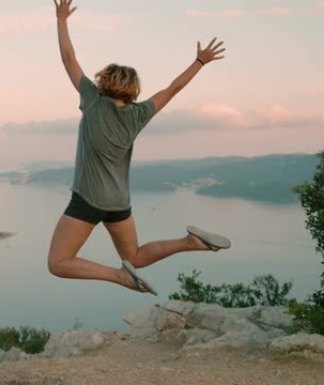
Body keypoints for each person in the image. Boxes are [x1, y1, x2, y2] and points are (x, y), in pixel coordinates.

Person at [47, 0, 231, 294]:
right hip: (120, 203)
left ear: (104, 82)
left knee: (58, 263)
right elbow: (173, 88)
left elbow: (68, 57)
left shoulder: (93, 100)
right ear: (133, 89)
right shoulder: (139, 113)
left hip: (88, 200)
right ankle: (191, 242)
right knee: (133, 257)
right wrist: (200, 62)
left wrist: (61, 19)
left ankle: (118, 276)